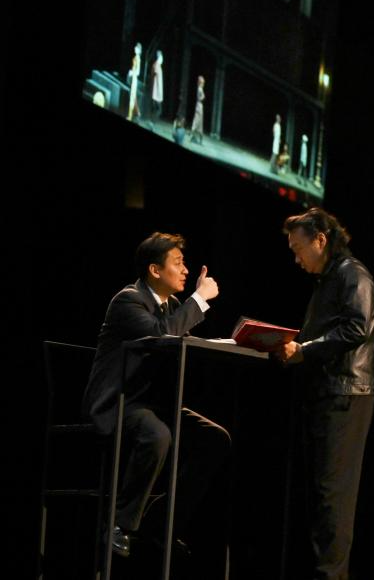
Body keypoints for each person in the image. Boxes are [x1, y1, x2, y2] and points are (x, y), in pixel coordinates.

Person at [81, 233, 230, 558]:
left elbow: (176, 337)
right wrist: (199, 299)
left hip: (151, 404)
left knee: (214, 438)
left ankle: (161, 526)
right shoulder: (128, 301)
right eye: (178, 263)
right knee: (157, 434)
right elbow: (160, 334)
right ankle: (119, 524)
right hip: (120, 401)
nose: (186, 270)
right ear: (155, 270)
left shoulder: (171, 305)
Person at [279, 208, 374, 580]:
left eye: (298, 248)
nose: (296, 258)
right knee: (321, 499)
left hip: (345, 396)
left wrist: (304, 350)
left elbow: (356, 328)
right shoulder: (329, 279)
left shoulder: (352, 273)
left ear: (320, 239)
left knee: (332, 499)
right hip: (327, 395)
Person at [126, 42, 142, 121]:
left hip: (134, 79)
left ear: (139, 50)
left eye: (136, 48)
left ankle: (131, 115)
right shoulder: (136, 57)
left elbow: (138, 72)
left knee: (132, 97)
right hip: (133, 78)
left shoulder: (138, 58)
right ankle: (136, 113)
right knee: (132, 97)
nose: (135, 49)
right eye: (135, 48)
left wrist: (132, 72)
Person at [190, 75, 205, 144]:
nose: (203, 84)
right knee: (197, 120)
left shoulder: (200, 88)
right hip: (199, 105)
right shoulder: (200, 89)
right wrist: (203, 97)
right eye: (202, 82)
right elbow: (201, 98)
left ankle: (197, 137)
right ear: (200, 82)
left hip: (199, 105)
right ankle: (192, 133)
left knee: (199, 121)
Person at [150, 50, 164, 120]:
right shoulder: (156, 65)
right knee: (158, 109)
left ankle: (152, 121)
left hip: (157, 91)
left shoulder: (157, 65)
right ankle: (152, 121)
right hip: (156, 92)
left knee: (157, 109)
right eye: (161, 57)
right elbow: (154, 74)